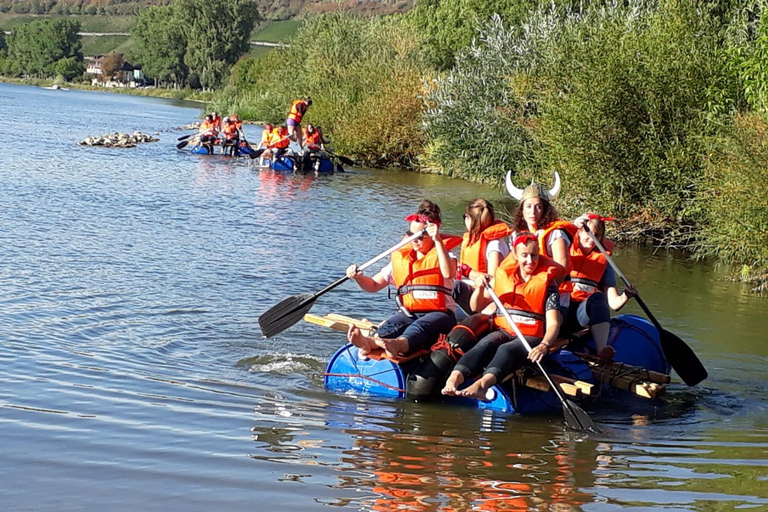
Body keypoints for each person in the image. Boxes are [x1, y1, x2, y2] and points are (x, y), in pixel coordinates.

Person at [441, 234, 562, 400]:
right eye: (524, 255)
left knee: (506, 350)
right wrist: (480, 289)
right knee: (484, 344)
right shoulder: (503, 276)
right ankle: (454, 378)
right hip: (505, 330)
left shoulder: (548, 285)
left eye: (534, 255)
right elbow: (476, 307)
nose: (530, 261)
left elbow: (554, 323)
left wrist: (544, 345)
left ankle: (482, 385)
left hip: (530, 335)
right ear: (515, 255)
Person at [345, 200, 462, 360]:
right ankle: (368, 343)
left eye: (420, 236)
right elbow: (373, 285)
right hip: (409, 312)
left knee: (419, 327)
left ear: (431, 234)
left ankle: (397, 345)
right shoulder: (403, 260)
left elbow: (448, 273)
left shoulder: (445, 255)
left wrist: (438, 240)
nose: (414, 239)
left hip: (441, 315)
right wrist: (358, 277)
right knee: (391, 325)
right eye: (411, 234)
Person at [560, 214, 638, 359]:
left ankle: (601, 349)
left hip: (579, 315)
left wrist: (626, 295)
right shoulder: (563, 248)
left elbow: (614, 304)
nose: (592, 239)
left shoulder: (604, 262)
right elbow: (554, 236)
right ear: (579, 232)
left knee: (598, 297)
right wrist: (572, 226)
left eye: (597, 235)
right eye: (588, 233)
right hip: (559, 311)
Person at [505, 171, 575, 283]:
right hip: (525, 287)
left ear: (544, 210)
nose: (533, 212)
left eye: (538, 207)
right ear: (522, 210)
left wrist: (547, 289)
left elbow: (562, 269)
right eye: (528, 206)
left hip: (554, 288)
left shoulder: (555, 234)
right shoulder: (515, 235)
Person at [453, 199, 511, 315]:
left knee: (456, 286)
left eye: (465, 217)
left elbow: (493, 280)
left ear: (469, 219)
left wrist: (468, 272)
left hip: (482, 298)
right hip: (471, 289)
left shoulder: (494, 246)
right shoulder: (473, 239)